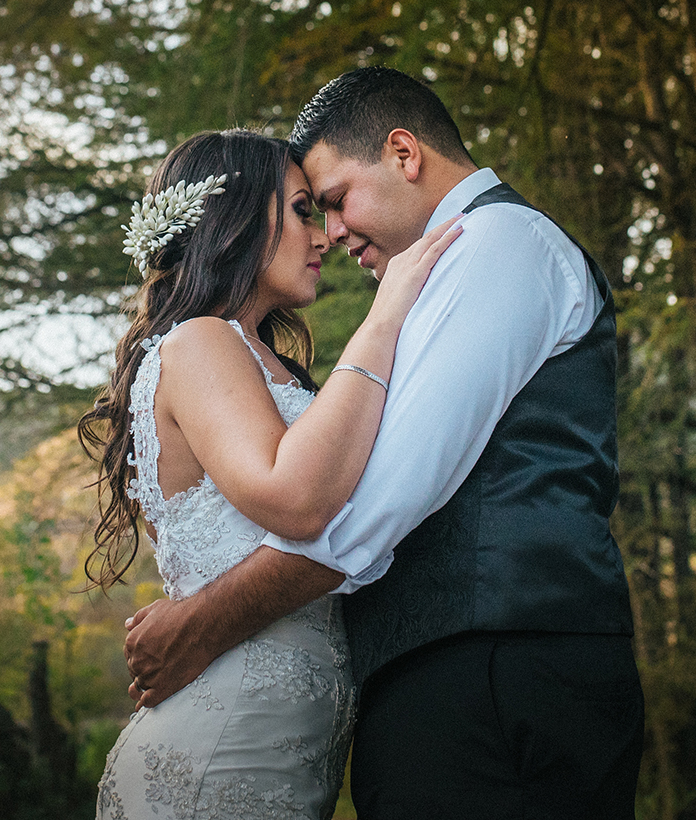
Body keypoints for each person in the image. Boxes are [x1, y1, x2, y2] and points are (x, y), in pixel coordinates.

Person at [122, 67, 645, 819]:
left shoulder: (496, 242)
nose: (330, 234)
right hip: (425, 690)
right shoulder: (225, 344)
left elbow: (376, 501)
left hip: (498, 672)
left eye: (330, 201)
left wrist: (203, 621)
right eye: (307, 210)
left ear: (404, 153)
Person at [81, 128, 463, 820]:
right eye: (302, 210)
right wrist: (387, 315)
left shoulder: (265, 362)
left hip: (280, 762)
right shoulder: (200, 340)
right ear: (235, 221)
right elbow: (292, 497)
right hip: (216, 757)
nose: (324, 236)